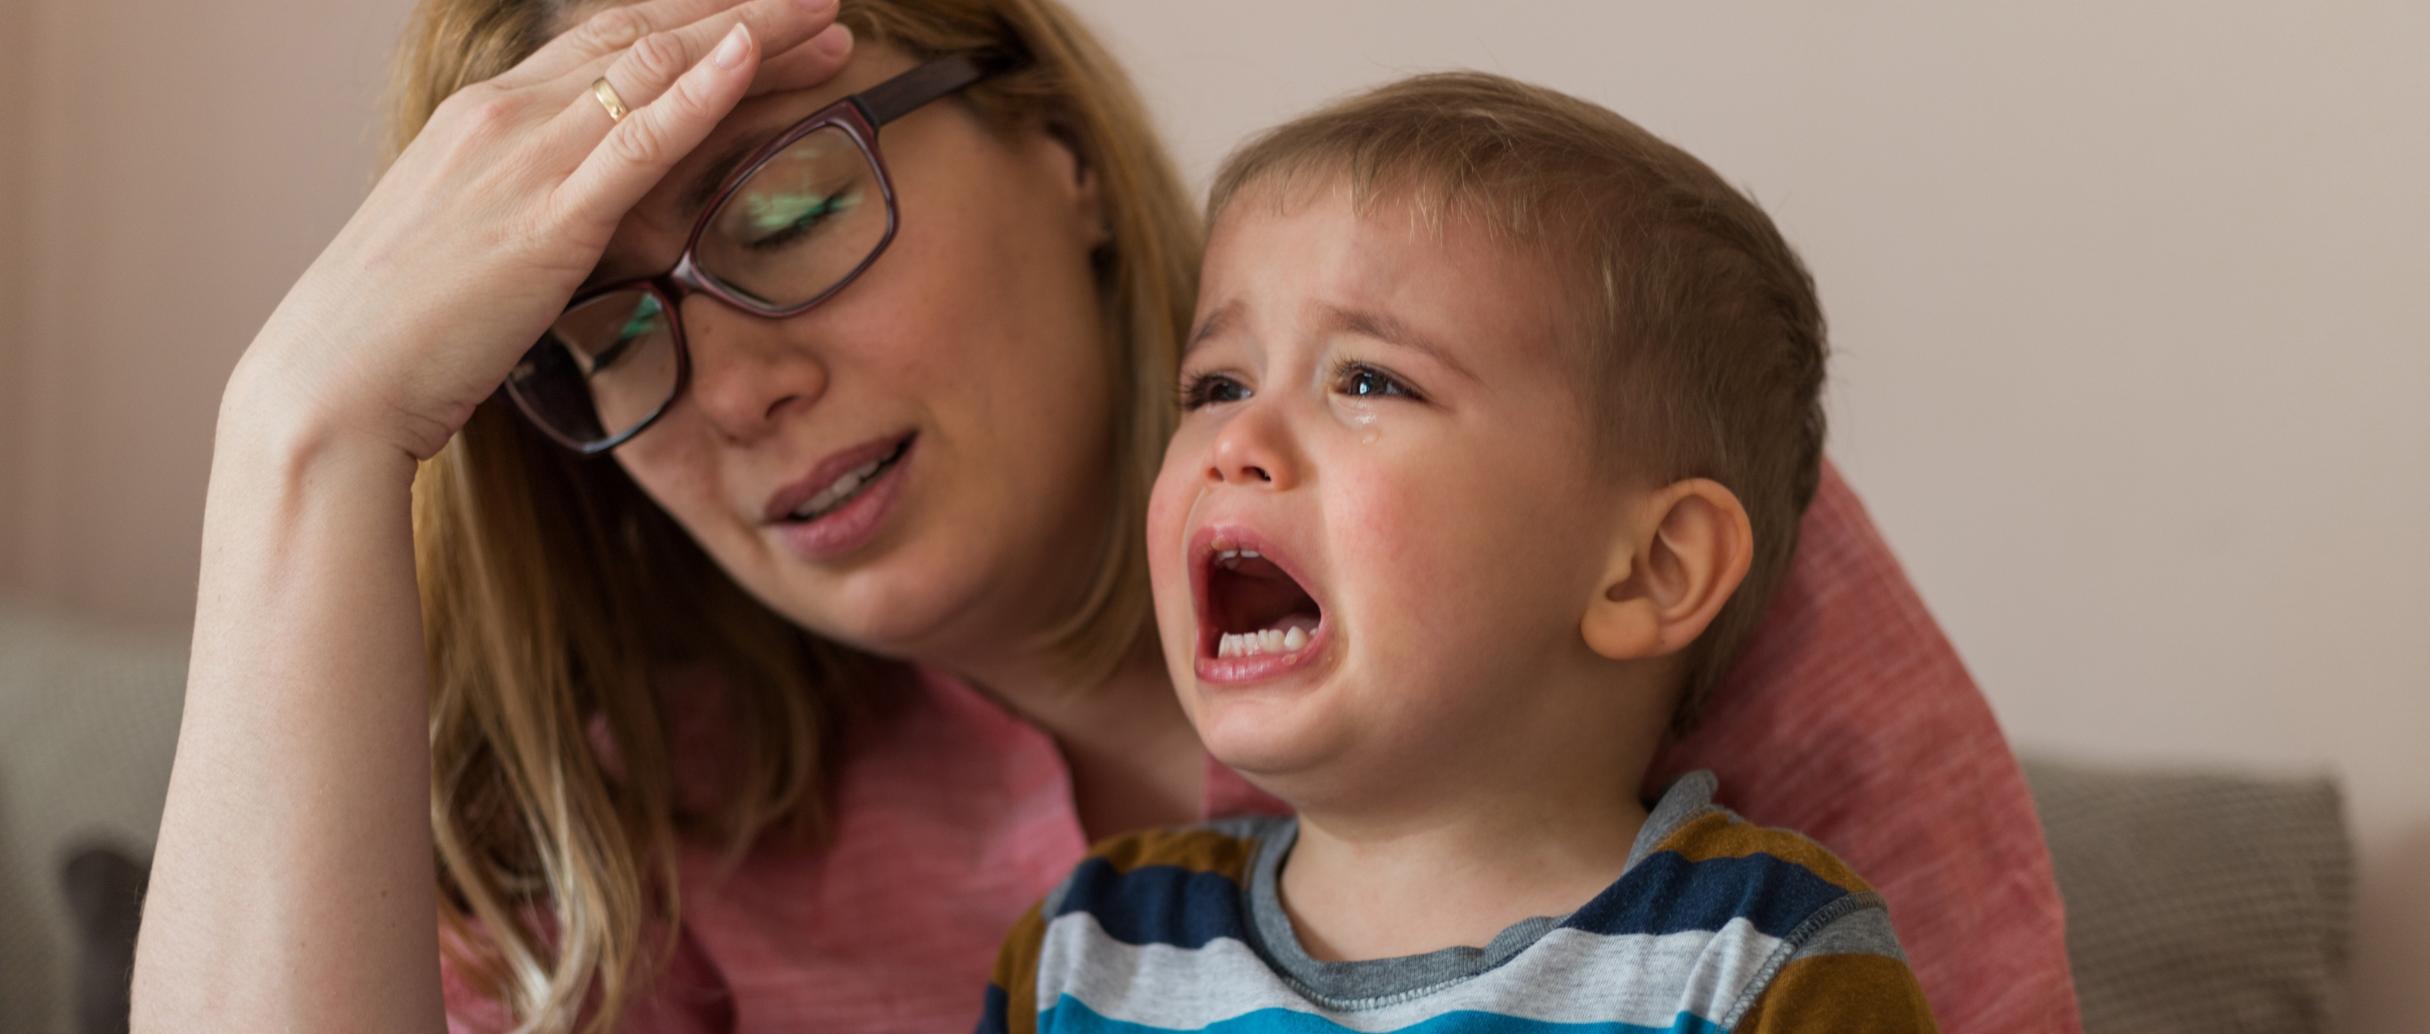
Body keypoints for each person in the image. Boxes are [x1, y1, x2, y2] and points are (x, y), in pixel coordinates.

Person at [129, 0, 2072, 1031]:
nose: (731, 383)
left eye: (791, 210)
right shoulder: (650, 807)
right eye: (607, 334)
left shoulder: (1618, 531)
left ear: (1055, 153)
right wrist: (297, 430)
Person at [976, 71, 1935, 1033]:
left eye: (1367, 379)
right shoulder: (1085, 950)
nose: (1236, 445)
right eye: (1217, 386)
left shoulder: (1765, 966)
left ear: (1651, 568)